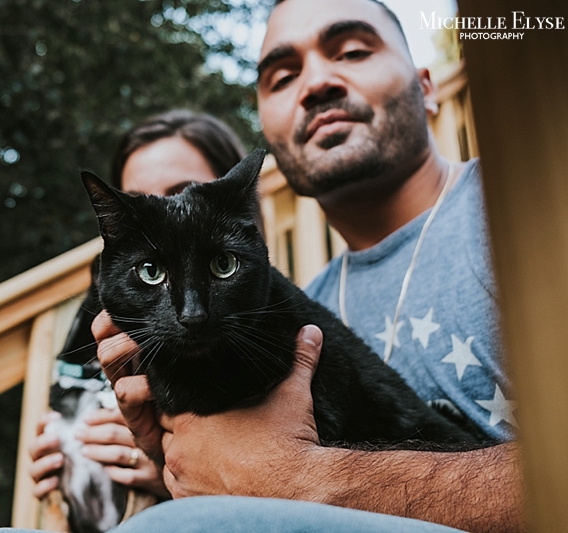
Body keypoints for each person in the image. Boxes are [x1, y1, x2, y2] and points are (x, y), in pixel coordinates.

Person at [89, 1, 524, 532]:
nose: (315, 83)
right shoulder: (282, 307)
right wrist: (183, 469)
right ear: (269, 132)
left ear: (426, 86)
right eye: (283, 76)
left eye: (353, 51)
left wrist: (303, 480)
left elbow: (288, 481)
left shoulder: (529, 203)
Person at [28, 109, 247, 503]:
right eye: (143, 201)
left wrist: (171, 472)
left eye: (182, 193)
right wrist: (65, 481)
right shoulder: (100, 321)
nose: (164, 215)